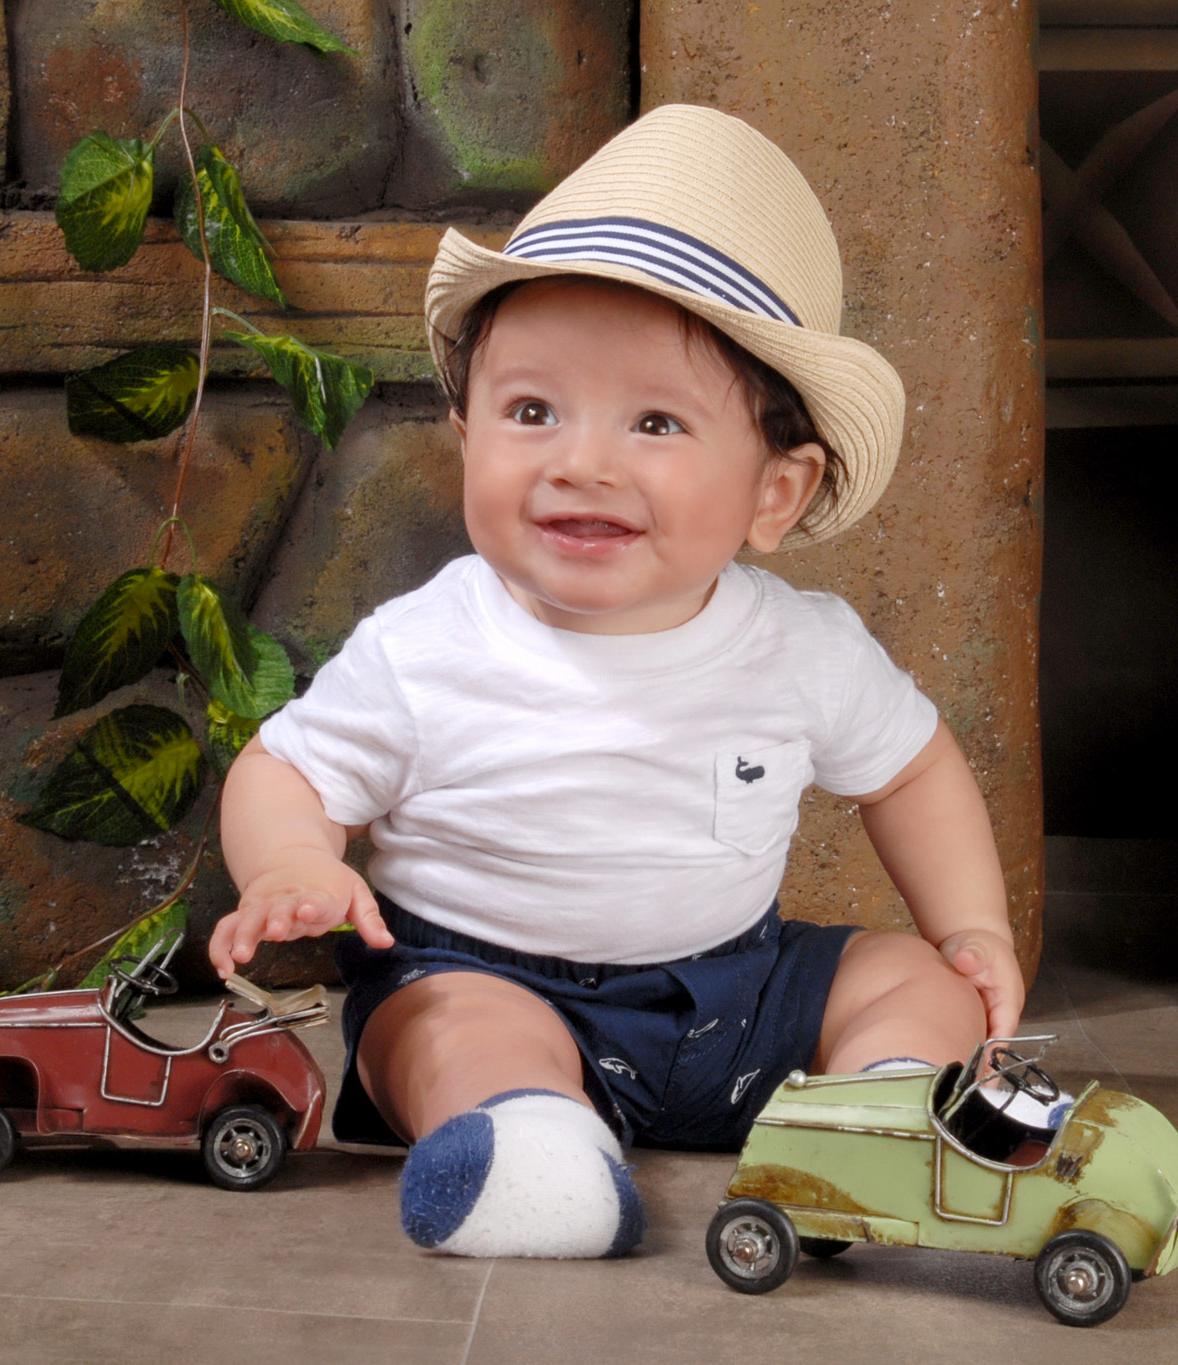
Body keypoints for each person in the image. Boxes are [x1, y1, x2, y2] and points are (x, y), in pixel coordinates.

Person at [208, 104, 1024, 1259]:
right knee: (429, 1030)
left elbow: (912, 771)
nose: (579, 462)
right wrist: (293, 857)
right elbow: (287, 769)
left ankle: (878, 1116)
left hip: (735, 1000)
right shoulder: (427, 645)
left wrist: (970, 925)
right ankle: (531, 1141)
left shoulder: (802, 648)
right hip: (484, 979)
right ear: (464, 432)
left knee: (904, 977)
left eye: (653, 422)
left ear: (773, 495)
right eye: (531, 411)